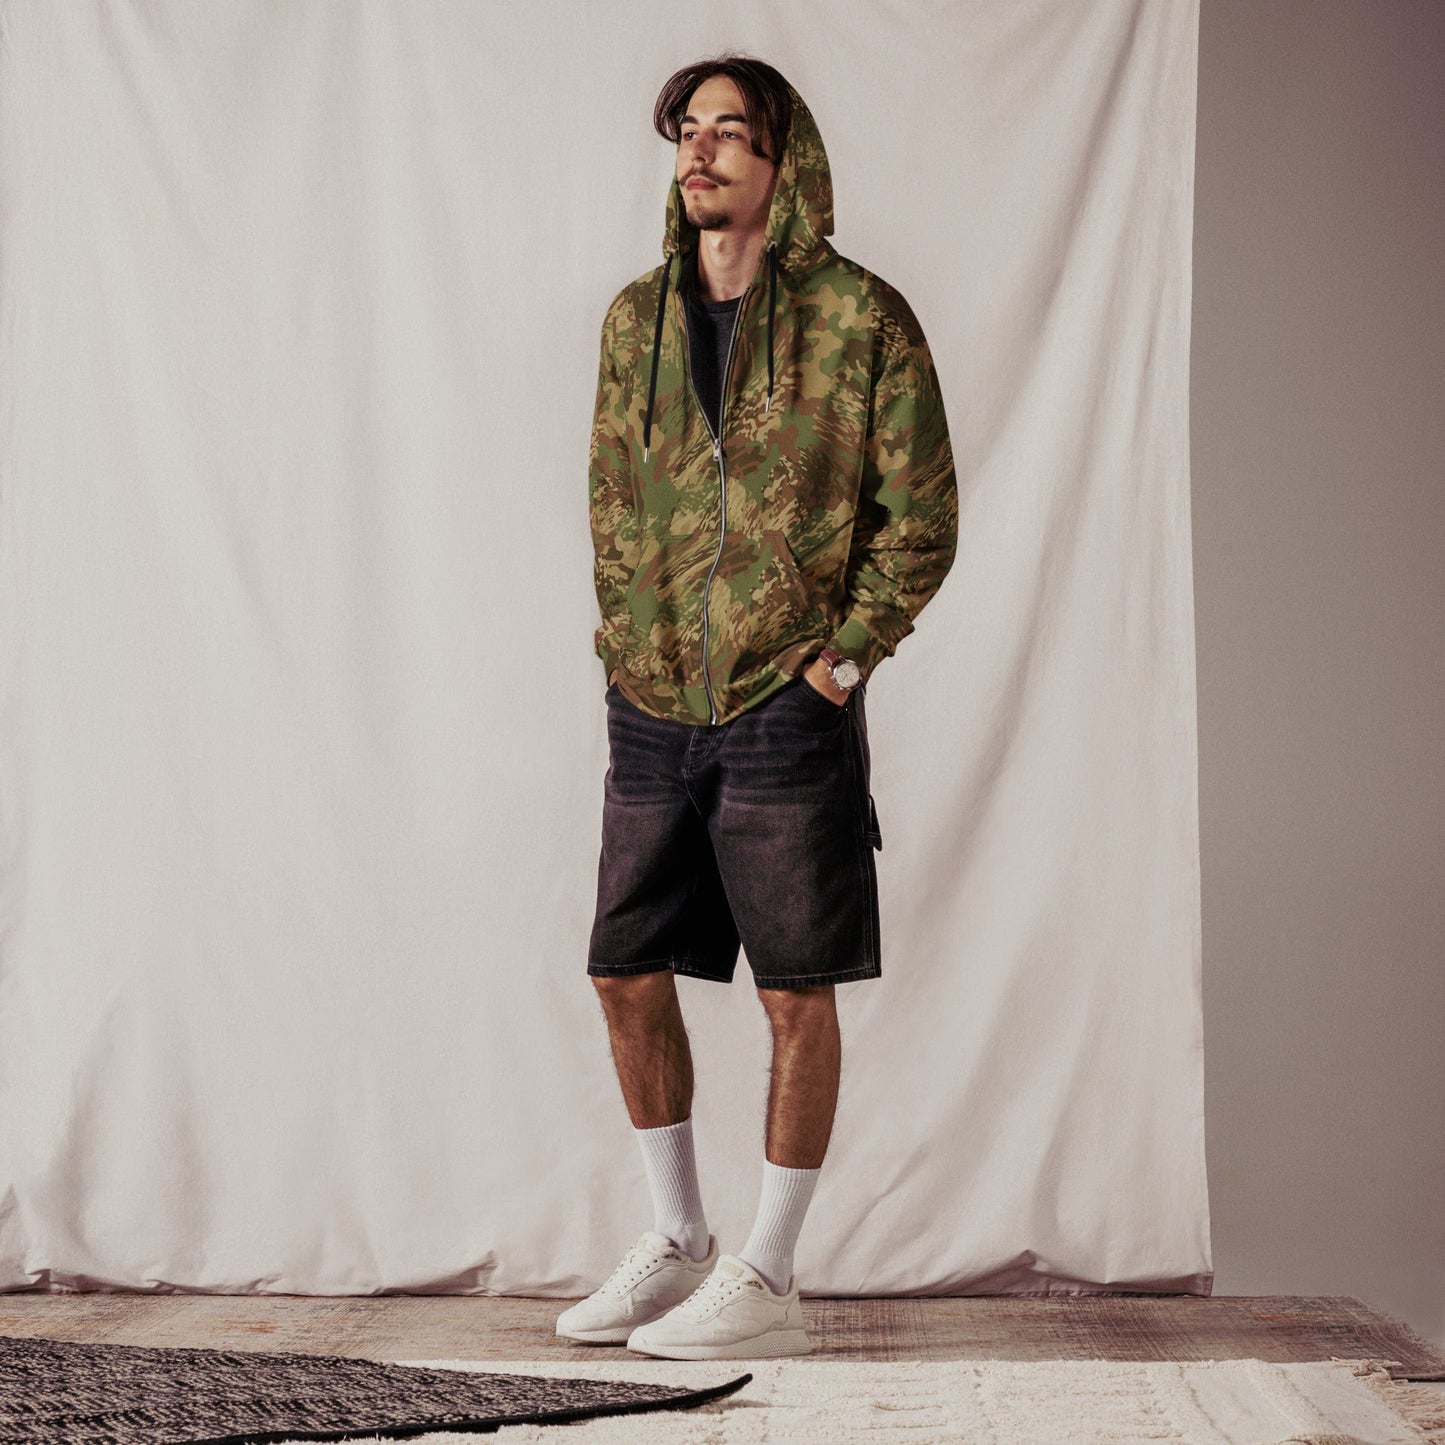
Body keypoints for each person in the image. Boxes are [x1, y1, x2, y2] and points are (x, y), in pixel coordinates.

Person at [557, 54, 957, 1360]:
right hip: (650, 702)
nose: (701, 150)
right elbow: (609, 494)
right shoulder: (637, 320)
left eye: (732, 131)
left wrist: (842, 660)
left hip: (786, 704)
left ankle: (769, 1272)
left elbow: (922, 515)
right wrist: (625, 642)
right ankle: (677, 1239)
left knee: (795, 988)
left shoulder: (859, 319)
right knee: (623, 968)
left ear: (787, 163)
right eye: (688, 128)